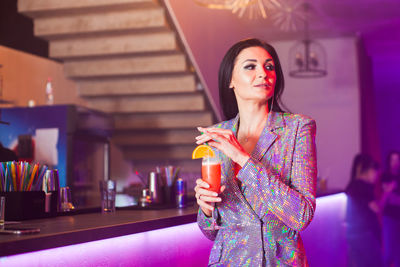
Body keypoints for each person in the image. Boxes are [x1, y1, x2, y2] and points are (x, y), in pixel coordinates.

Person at [194, 38, 317, 266]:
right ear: (230, 79)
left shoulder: (298, 128)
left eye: (269, 66)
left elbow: (301, 216)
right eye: (250, 66)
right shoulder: (217, 135)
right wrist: (206, 209)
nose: (263, 73)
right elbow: (211, 232)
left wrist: (242, 157)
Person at [345, 154, 383, 267]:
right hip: (366, 235)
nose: (376, 176)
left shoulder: (352, 185)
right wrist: (387, 193)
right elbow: (376, 208)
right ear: (368, 169)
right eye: (375, 172)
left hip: (354, 234)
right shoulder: (363, 186)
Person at [381, 151, 400, 267]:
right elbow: (386, 197)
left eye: (397, 160)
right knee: (389, 252)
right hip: (389, 217)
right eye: (393, 160)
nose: (395, 163)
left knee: (399, 252)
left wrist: (392, 195)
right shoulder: (385, 176)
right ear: (388, 161)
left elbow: (392, 198)